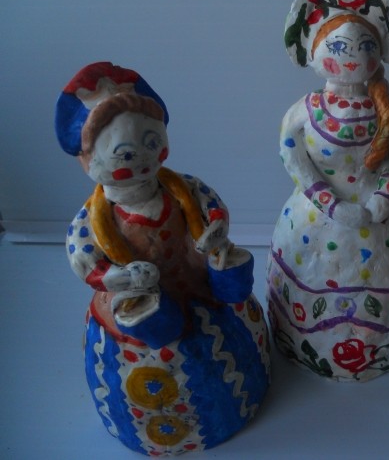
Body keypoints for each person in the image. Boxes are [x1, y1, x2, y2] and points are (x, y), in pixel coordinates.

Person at [56, 62, 269, 454]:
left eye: (152, 142)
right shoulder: (92, 221)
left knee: (232, 294)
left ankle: (244, 394)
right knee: (151, 340)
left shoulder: (184, 189)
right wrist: (118, 279)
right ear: (87, 162)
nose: (142, 158)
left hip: (198, 281)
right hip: (140, 301)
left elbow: (212, 207)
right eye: (124, 153)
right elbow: (84, 259)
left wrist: (215, 230)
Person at [268, 0, 389, 381]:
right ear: (314, 54)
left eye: (364, 46)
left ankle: (386, 346)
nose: (352, 57)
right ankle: (311, 343)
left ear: (379, 53)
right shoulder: (303, 113)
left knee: (387, 278)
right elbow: (294, 159)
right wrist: (329, 203)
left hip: (385, 220)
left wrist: (384, 197)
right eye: (338, 47)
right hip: (315, 220)